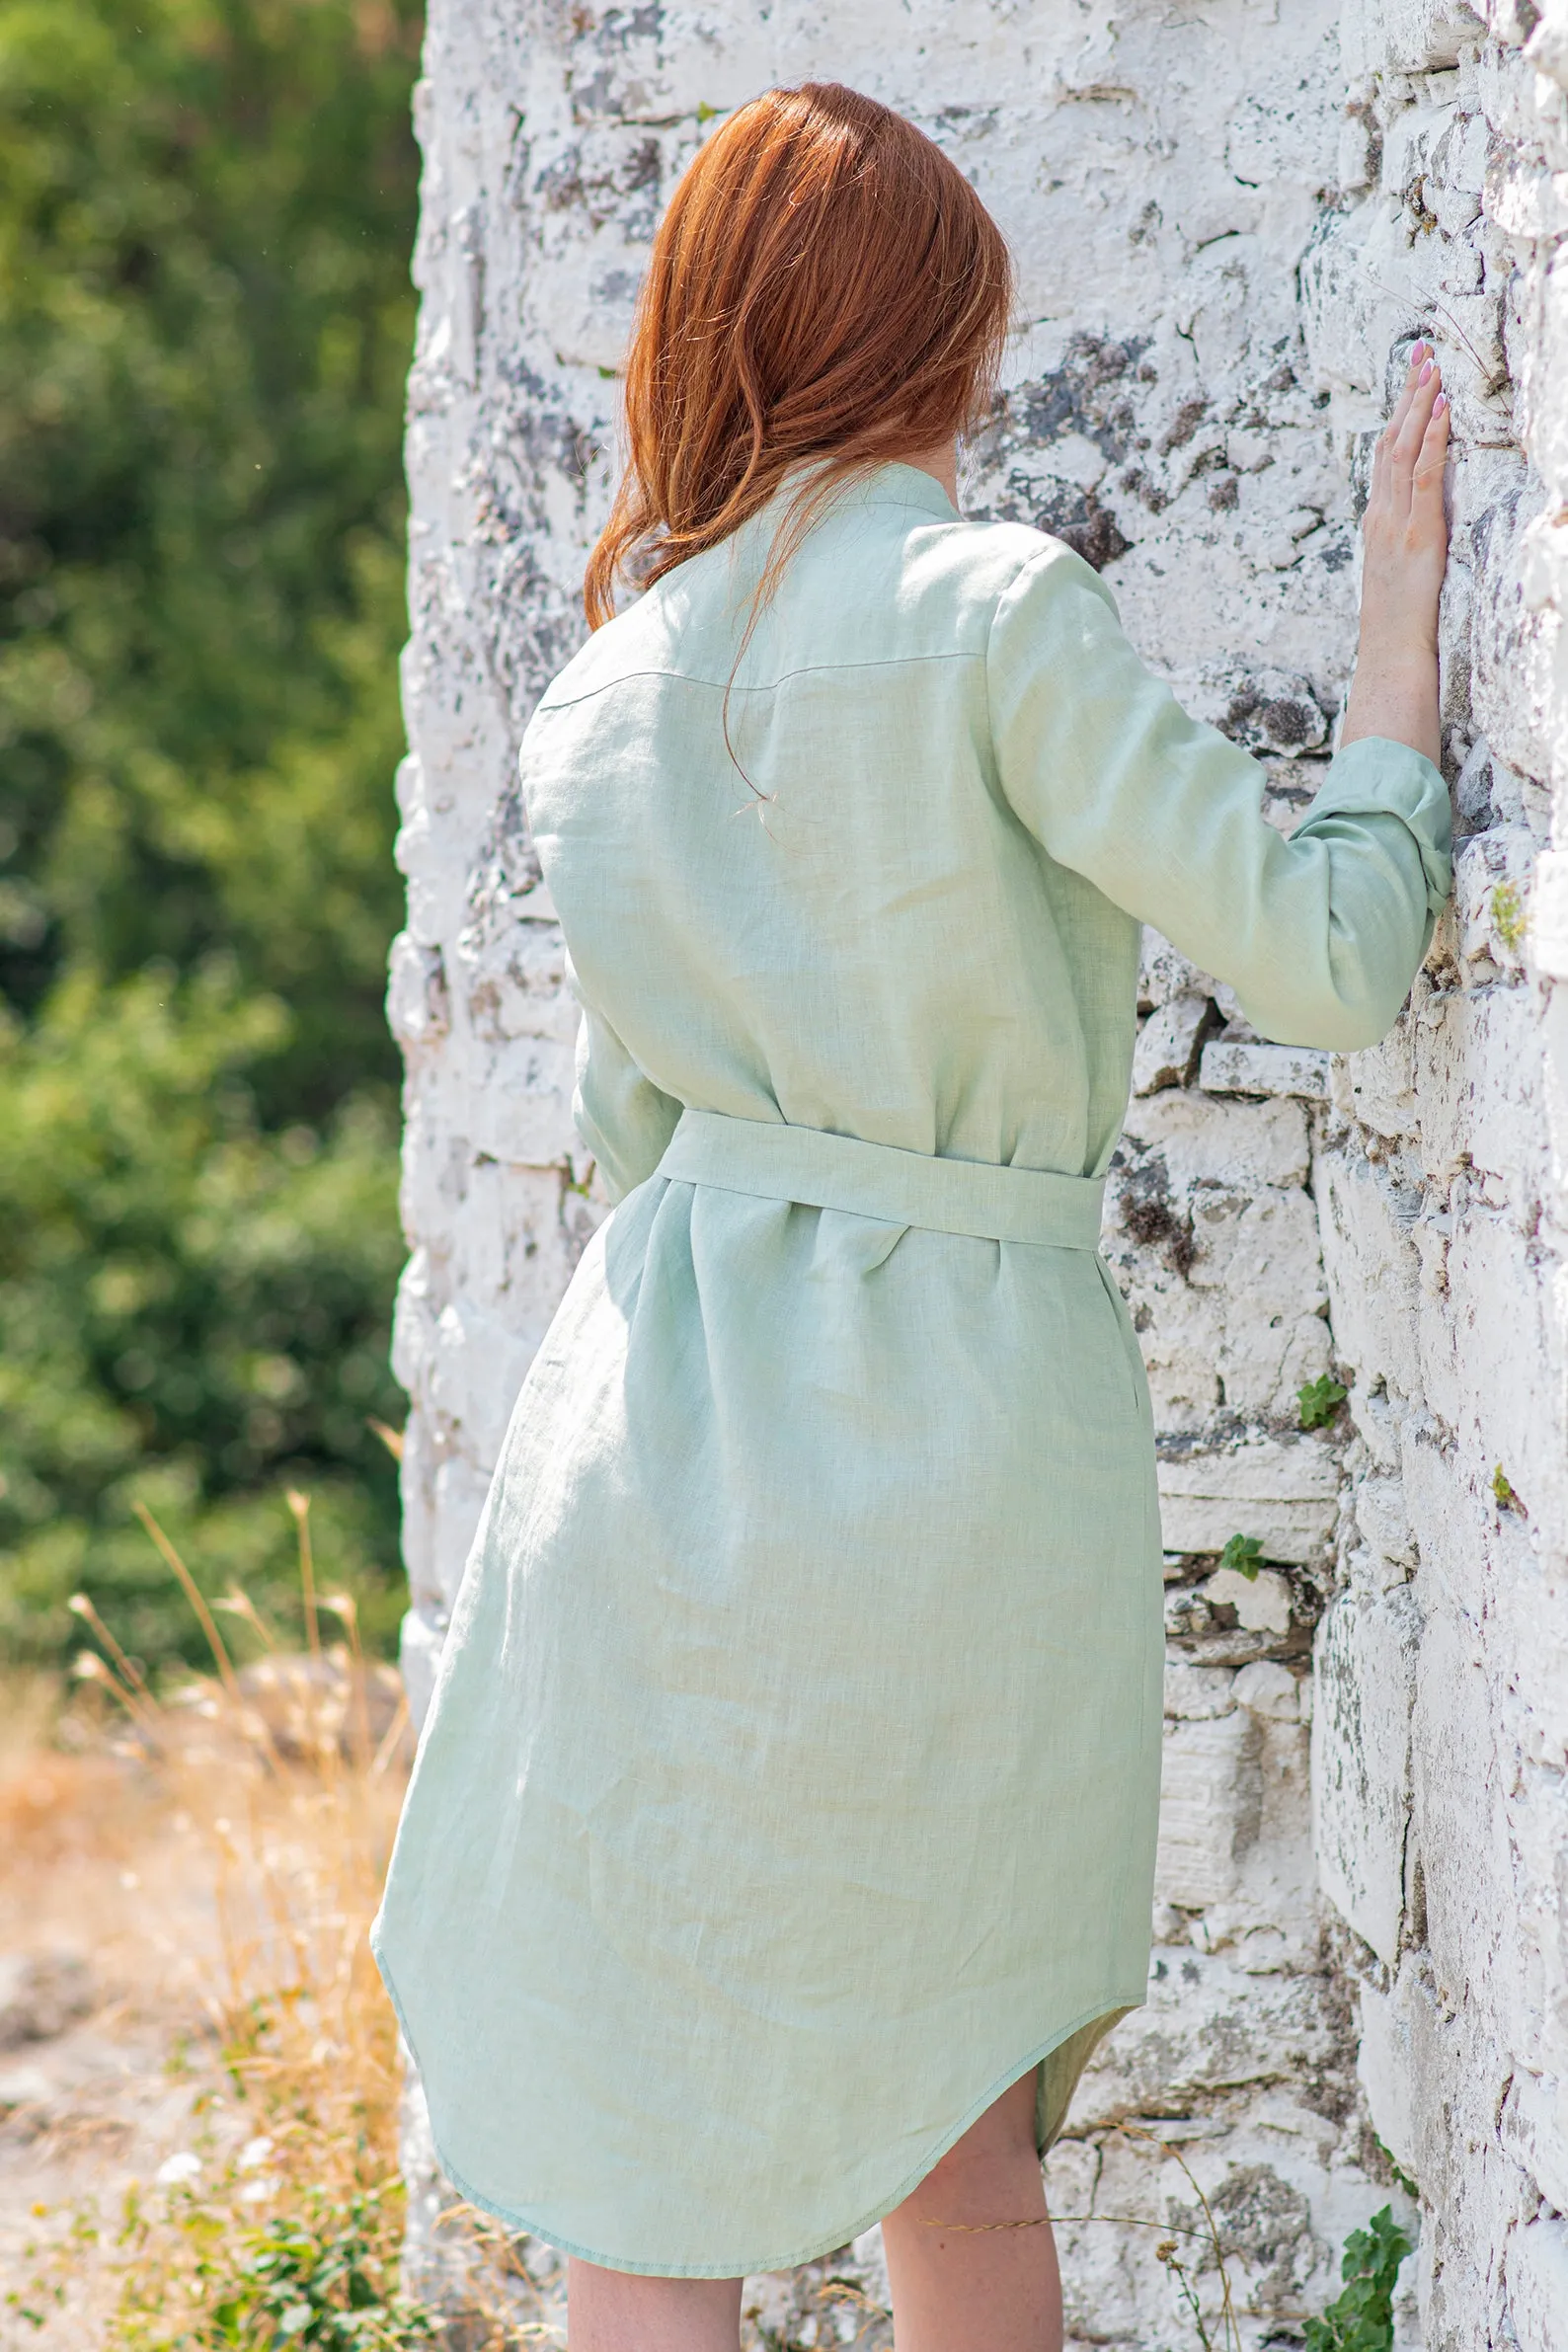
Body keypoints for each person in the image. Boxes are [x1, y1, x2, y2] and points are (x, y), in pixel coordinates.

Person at [372, 81, 1451, 2352]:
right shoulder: (993, 612)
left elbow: (624, 1126)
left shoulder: (600, 696)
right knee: (949, 2122)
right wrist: (1385, 687)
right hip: (946, 1432)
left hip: (645, 1431)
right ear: (938, 339)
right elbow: (1328, 965)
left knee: (637, 2153)